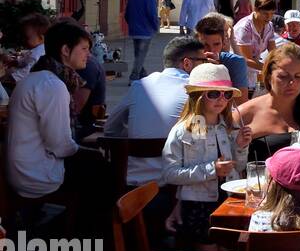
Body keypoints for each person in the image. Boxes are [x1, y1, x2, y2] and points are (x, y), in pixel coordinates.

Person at [5, 20, 108, 220]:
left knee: (97, 163)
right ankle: (83, 237)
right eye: (84, 48)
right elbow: (60, 145)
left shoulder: (41, 77)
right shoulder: (52, 85)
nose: (89, 54)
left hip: (25, 166)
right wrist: (92, 154)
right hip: (34, 175)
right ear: (65, 50)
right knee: (104, 170)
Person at [162, 63, 251, 251]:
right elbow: (170, 174)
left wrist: (240, 147)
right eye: (213, 93)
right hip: (198, 204)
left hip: (228, 200)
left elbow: (238, 166)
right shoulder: (186, 129)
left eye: (226, 94)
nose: (221, 99)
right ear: (197, 96)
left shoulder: (226, 127)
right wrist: (212, 170)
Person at [105, 36, 205, 192]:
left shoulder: (140, 85)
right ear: (187, 63)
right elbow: (201, 144)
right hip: (174, 186)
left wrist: (136, 134)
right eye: (203, 62)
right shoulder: (195, 92)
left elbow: (110, 129)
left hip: (129, 184)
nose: (205, 67)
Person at [237, 43, 300, 160]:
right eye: (283, 76)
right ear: (269, 76)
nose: (292, 83)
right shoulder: (244, 114)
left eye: (298, 76)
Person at [193, 13, 251, 103]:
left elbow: (241, 104)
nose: (211, 49)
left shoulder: (235, 62)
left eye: (216, 44)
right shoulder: (189, 59)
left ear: (223, 43)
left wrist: (219, 72)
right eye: (205, 45)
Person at [124, 0, 160, 81]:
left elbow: (127, 14)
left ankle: (142, 73)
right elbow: (152, 15)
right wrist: (155, 27)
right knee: (141, 55)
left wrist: (131, 24)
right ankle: (134, 76)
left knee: (138, 53)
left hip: (134, 30)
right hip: (145, 31)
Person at [232, 0, 278, 69]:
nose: (269, 17)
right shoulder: (244, 28)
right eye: (265, 13)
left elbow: (273, 53)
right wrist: (270, 70)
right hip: (237, 68)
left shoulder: (269, 26)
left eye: (272, 14)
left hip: (254, 68)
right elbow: (247, 60)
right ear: (255, 9)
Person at [9, 13, 50, 85]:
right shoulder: (35, 50)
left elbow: (26, 72)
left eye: (27, 37)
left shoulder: (38, 54)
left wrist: (10, 77)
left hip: (28, 83)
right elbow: (24, 60)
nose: (24, 40)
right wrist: (16, 62)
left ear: (41, 38)